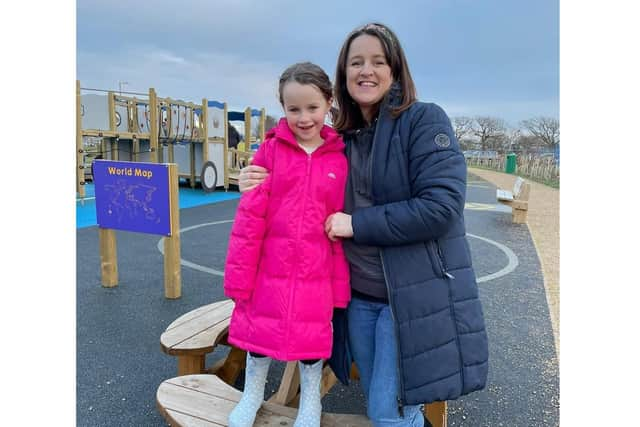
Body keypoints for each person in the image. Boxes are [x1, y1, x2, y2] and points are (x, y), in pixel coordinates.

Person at [238, 23, 489, 427]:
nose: (366, 70)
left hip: (405, 296)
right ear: (344, 74)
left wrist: (357, 223)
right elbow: (294, 165)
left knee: (387, 410)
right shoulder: (343, 138)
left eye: (377, 61)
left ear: (395, 69)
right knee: (381, 399)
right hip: (357, 297)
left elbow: (442, 206)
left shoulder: (424, 120)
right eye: (356, 62)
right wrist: (252, 179)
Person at [223, 62, 350, 427]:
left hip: (316, 269)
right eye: (293, 109)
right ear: (283, 108)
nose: (304, 117)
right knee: (259, 336)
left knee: (312, 343)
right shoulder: (271, 151)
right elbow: (249, 221)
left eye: (312, 107)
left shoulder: (340, 159)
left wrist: (339, 284)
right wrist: (240, 276)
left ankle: (311, 404)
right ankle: (252, 395)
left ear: (329, 102)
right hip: (269, 266)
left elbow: (340, 223)